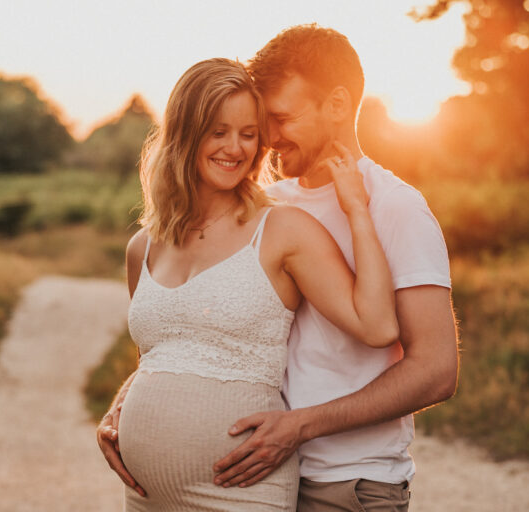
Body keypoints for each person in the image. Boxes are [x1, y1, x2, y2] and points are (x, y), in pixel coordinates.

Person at [99, 57, 400, 511]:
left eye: (248, 133)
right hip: (145, 497)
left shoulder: (282, 230)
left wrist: (357, 209)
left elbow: (377, 325)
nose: (234, 148)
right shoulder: (143, 247)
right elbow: (159, 358)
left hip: (242, 493)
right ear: (185, 132)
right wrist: (120, 408)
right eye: (217, 131)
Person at [204, 25, 459, 511]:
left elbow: (436, 371)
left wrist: (300, 425)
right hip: (260, 481)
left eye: (282, 117)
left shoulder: (396, 208)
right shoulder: (266, 205)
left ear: (337, 105)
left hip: (350, 486)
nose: (270, 138)